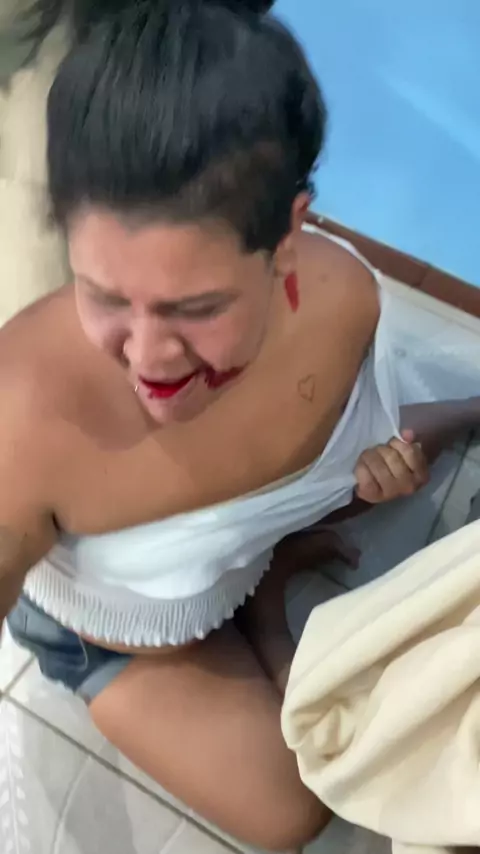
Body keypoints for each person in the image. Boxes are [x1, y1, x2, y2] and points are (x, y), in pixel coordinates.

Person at [1, 1, 480, 850]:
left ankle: (285, 562)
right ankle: (263, 606)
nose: (148, 358)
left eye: (197, 307)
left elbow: (346, 457)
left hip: (251, 538)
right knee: (295, 810)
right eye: (103, 295)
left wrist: (374, 469)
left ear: (287, 238)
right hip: (124, 634)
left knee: (392, 458)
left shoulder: (346, 301)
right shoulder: (21, 419)